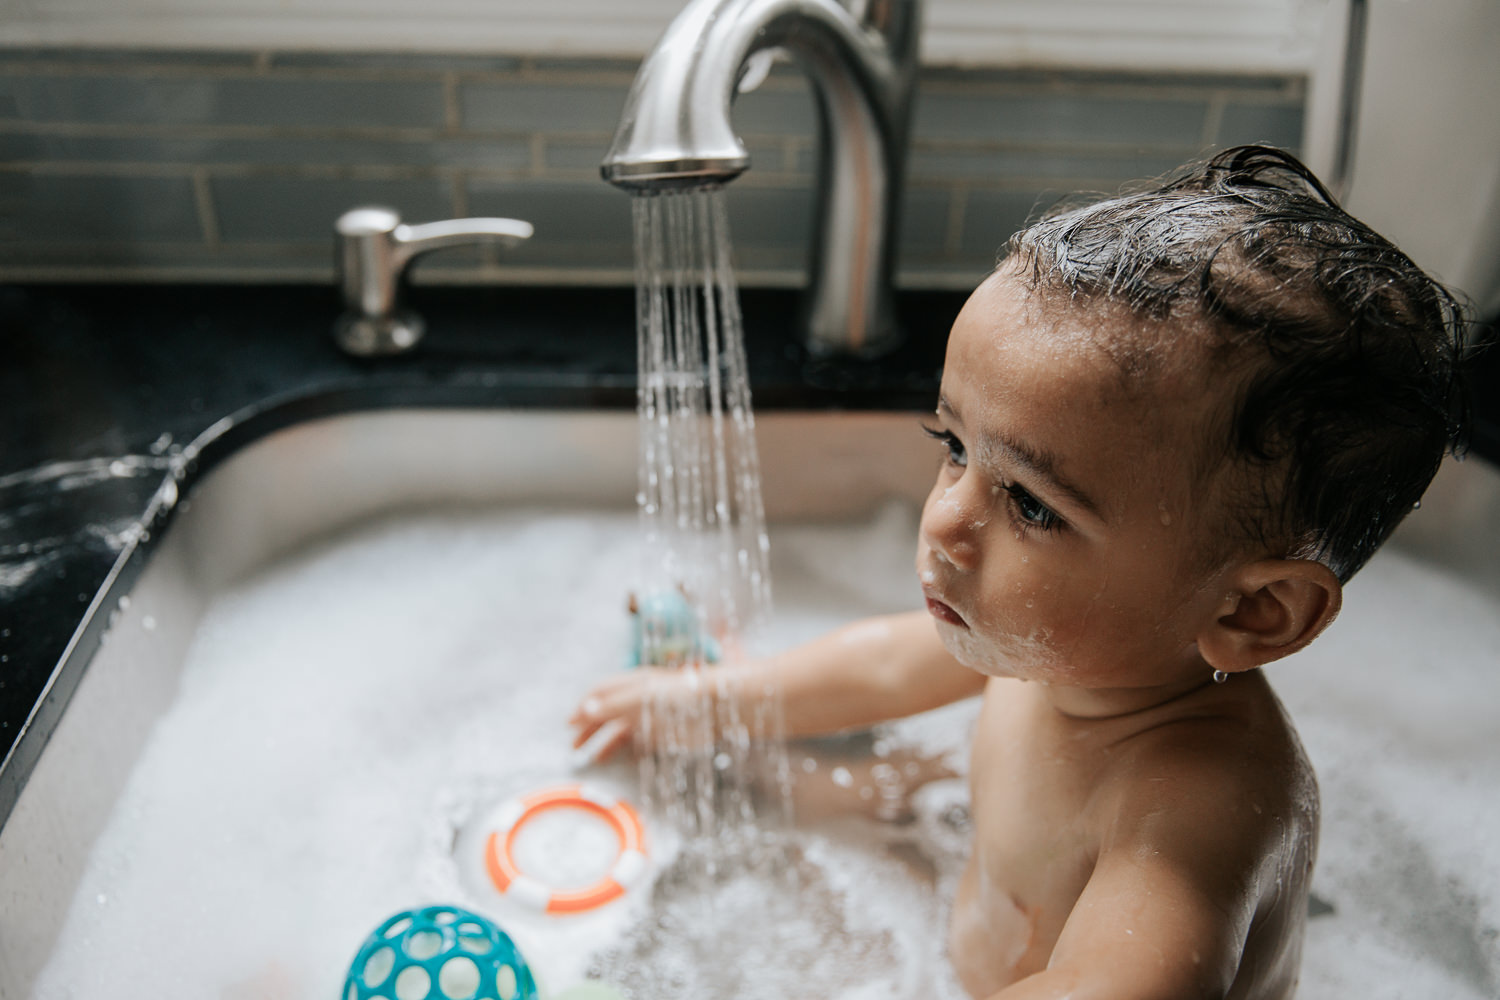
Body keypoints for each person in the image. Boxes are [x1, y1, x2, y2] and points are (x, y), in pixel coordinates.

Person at [568, 145, 1471, 999]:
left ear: (1257, 611)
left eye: (1034, 505)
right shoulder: (1065, 644)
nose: (948, 521)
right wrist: (708, 703)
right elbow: (885, 667)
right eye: (952, 446)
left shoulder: (1203, 804)